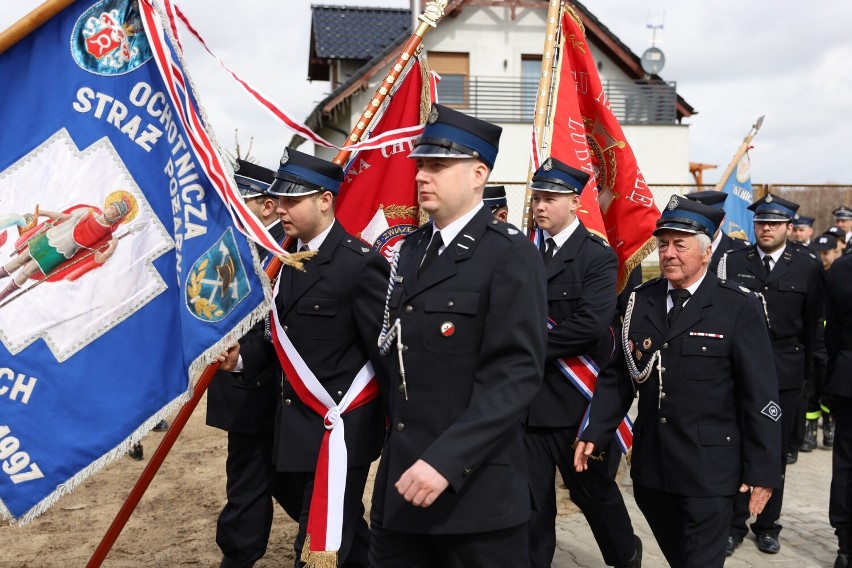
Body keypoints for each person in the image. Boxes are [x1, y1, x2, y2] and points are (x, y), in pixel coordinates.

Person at [369, 103, 547, 567]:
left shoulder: (509, 255)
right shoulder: (410, 249)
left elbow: (516, 374)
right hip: (403, 484)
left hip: (474, 494)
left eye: (439, 165)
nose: (423, 176)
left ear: (477, 174)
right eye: (421, 165)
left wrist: (446, 461)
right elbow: (395, 356)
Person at [574, 195, 782, 567]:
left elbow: (761, 396)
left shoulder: (738, 306)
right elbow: (620, 375)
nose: (668, 253)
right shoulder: (642, 300)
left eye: (679, 244)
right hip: (654, 471)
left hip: (711, 472)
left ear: (705, 252)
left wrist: (764, 471)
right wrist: (595, 429)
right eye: (663, 243)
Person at [227, 148, 389, 567]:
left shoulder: (360, 264)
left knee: (318, 546)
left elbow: (383, 352)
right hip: (296, 427)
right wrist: (240, 359)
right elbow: (278, 335)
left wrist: (399, 427)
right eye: (278, 200)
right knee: (344, 537)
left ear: (324, 200)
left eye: (292, 200)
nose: (281, 209)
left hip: (341, 429)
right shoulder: (286, 259)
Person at [524, 157, 640, 568]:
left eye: (551, 198)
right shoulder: (522, 250)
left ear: (574, 202)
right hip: (526, 404)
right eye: (537, 197)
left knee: (592, 493)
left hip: (576, 402)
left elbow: (589, 326)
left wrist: (524, 348)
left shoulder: (596, 255)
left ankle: (625, 556)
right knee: (532, 504)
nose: (540, 206)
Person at [719, 193, 824, 556]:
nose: (767, 229)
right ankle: (734, 523)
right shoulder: (732, 262)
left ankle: (767, 524)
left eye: (775, 224)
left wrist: (804, 372)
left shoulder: (807, 266)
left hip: (784, 370)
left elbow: (812, 328)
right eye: (762, 222)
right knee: (736, 444)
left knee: (774, 450)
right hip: (740, 367)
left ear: (787, 228)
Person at [206, 159, 288, 568]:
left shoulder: (286, 250)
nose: (230, 205)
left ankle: (340, 554)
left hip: (284, 392)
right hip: (245, 392)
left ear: (268, 206)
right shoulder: (236, 244)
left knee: (308, 493)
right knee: (251, 487)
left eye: (241, 198)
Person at [0, 193, 135, 302]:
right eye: (112, 207)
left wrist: (112, 248)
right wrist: (44, 212)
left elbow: (99, 257)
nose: (111, 211)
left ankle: (2, 296)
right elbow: (65, 217)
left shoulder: (106, 235)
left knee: (27, 270)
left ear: (117, 217)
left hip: (61, 251)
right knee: (20, 260)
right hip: (49, 237)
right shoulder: (87, 212)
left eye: (115, 212)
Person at [824, 251, 852, 567]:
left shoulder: (842, 268)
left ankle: (845, 545)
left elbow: (830, 336)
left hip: (847, 373)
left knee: (846, 462)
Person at [683, 190, 749, 273]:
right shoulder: (681, 249)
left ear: (722, 220)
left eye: (707, 219)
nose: (701, 224)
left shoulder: (742, 250)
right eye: (696, 219)